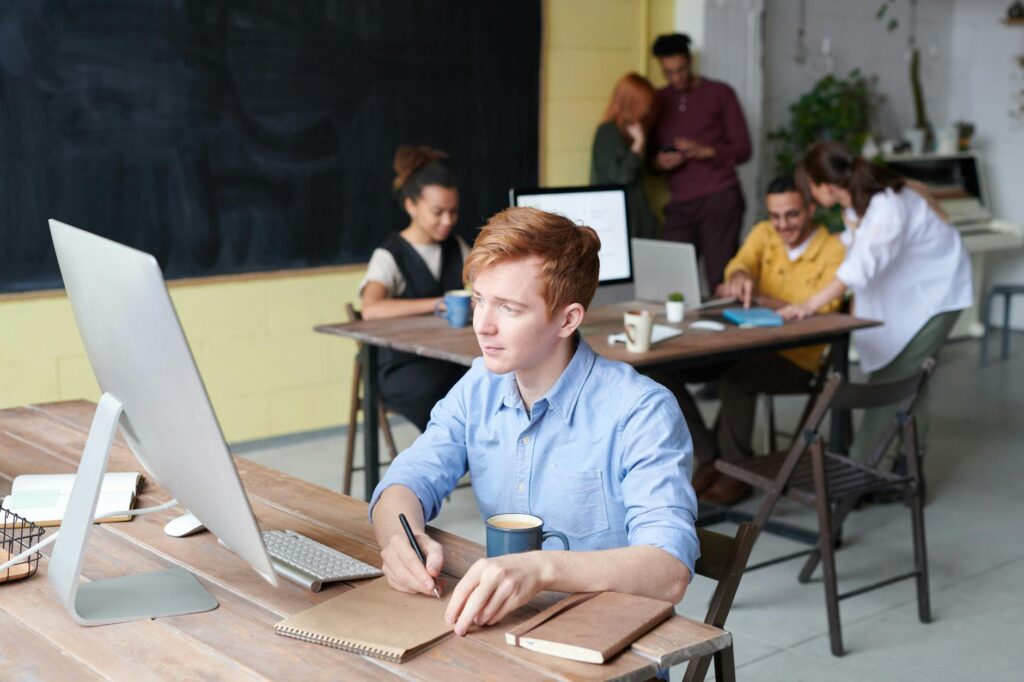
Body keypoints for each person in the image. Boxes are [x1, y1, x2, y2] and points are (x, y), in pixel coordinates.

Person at [369, 207, 699, 637]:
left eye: (508, 308)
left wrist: (540, 569)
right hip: (507, 634)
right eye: (479, 300)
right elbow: (405, 482)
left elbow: (669, 569)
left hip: (602, 647)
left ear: (567, 319)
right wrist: (400, 540)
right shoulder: (479, 386)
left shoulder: (640, 410)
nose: (482, 326)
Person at [779, 141, 972, 468]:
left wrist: (809, 305)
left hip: (937, 297)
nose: (810, 195)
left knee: (890, 382)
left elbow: (860, 265)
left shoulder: (887, 205)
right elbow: (852, 249)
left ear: (824, 185)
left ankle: (856, 472)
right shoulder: (860, 207)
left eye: (809, 188)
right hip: (914, 299)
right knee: (913, 381)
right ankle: (907, 469)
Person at [690, 176, 845, 505]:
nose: (782, 224)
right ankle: (709, 456)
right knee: (660, 374)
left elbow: (818, 310)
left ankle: (734, 471)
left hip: (798, 357)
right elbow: (740, 263)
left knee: (737, 380)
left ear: (810, 209)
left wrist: (758, 298)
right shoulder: (764, 233)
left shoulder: (833, 250)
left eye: (792, 215)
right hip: (745, 342)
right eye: (775, 216)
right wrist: (739, 277)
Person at [359, 145, 470, 432]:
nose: (447, 221)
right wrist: (436, 303)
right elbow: (370, 309)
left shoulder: (457, 247)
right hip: (406, 367)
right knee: (449, 398)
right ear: (411, 205)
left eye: (453, 212)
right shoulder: (389, 255)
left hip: (452, 358)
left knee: (489, 382)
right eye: (438, 212)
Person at [651, 33, 752, 292]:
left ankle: (728, 333)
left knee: (721, 279)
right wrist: (661, 163)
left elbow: (744, 150)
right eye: (669, 72)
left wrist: (704, 151)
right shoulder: (658, 100)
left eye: (682, 69)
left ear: (690, 61)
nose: (677, 78)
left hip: (719, 198)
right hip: (680, 203)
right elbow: (649, 158)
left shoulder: (720, 93)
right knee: (671, 282)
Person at [590, 72, 660, 240]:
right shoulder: (607, 132)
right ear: (631, 102)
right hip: (618, 224)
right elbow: (619, 178)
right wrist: (637, 146)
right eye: (644, 103)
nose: (648, 109)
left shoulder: (629, 132)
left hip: (637, 225)